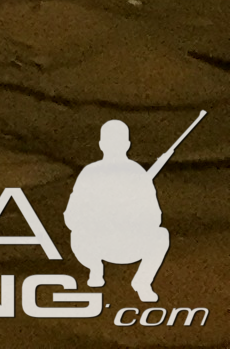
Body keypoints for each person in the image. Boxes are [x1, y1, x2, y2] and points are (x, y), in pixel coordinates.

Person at [65, 119, 172, 302]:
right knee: (77, 234)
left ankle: (142, 282)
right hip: (96, 243)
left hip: (131, 243)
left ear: (127, 145)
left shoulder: (138, 174)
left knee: (161, 235)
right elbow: (71, 216)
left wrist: (130, 214)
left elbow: (155, 218)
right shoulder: (90, 173)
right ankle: (95, 268)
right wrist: (98, 219)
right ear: (101, 145)